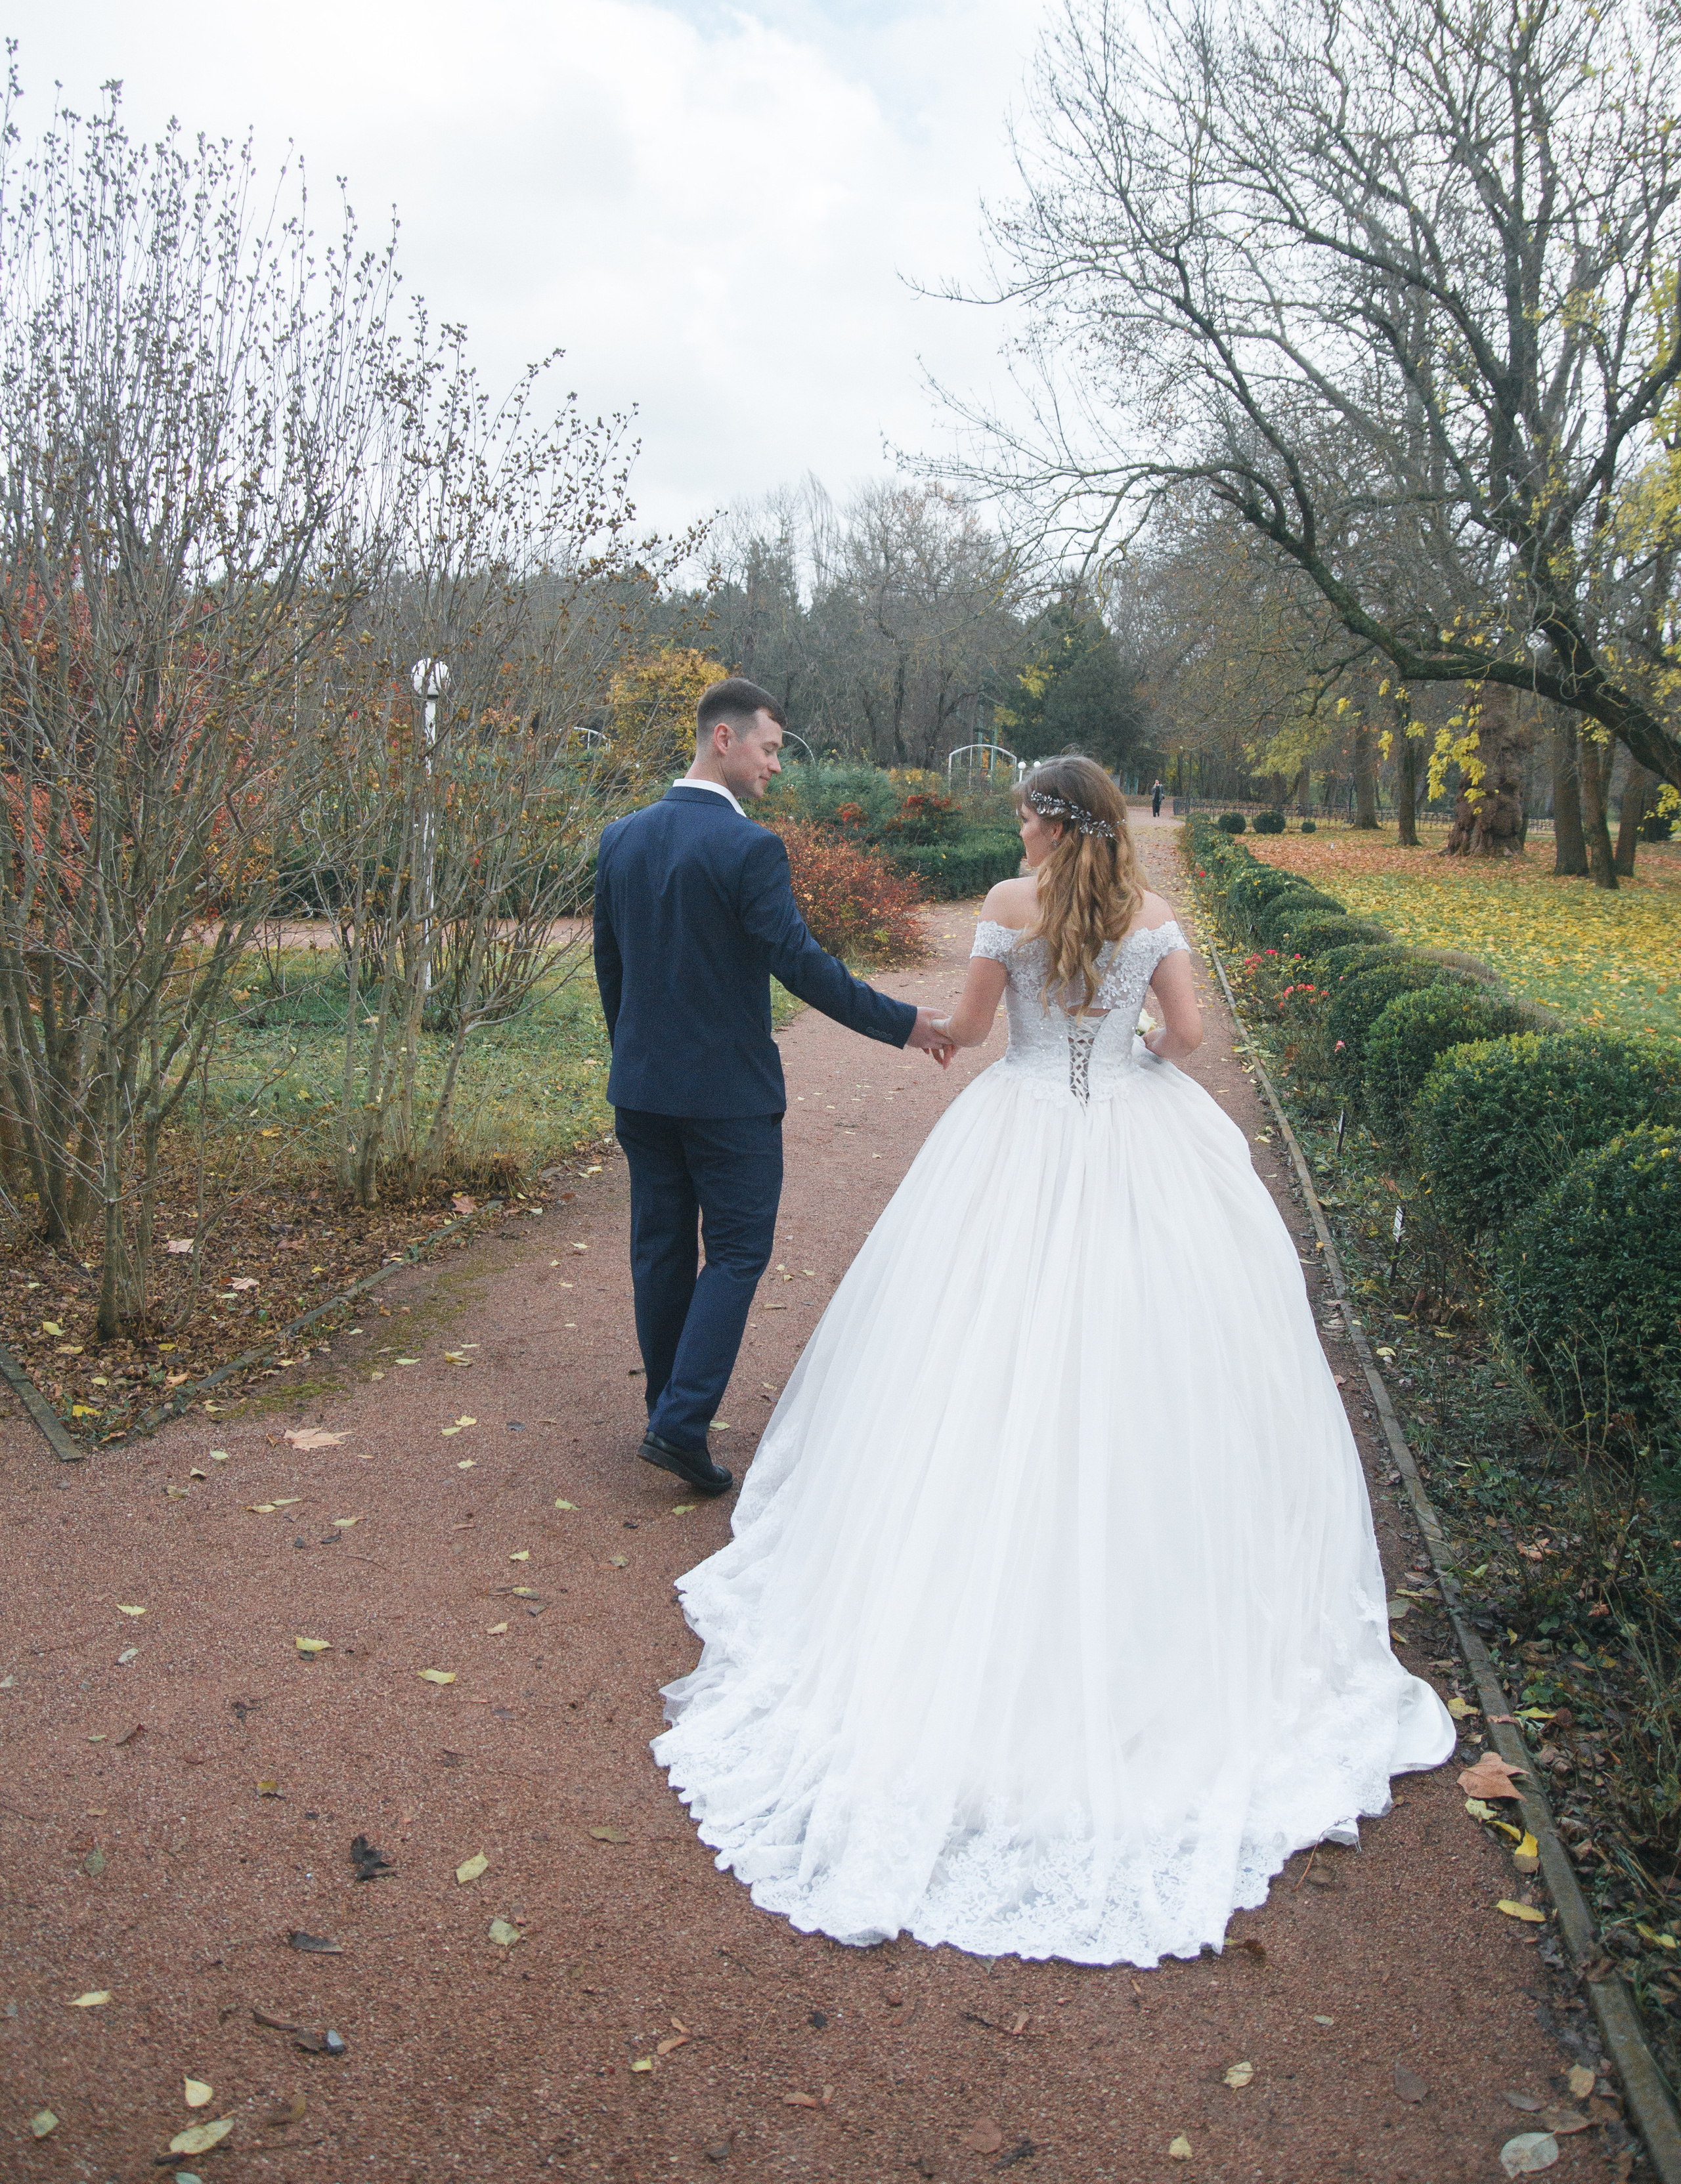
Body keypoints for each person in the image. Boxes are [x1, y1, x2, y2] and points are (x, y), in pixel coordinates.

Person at [651, 754, 1452, 1965]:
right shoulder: (1153, 914)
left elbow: (973, 1029)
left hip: (1015, 1133)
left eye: (1024, 814)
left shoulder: (1007, 907)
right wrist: (1130, 1048)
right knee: (1149, 1349)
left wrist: (948, 1033)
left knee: (973, 1341)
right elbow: (1188, 1037)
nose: (1014, 828)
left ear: (1049, 823)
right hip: (1132, 1130)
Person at [592, 677, 954, 1501]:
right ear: (724, 739)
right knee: (737, 1253)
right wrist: (905, 1024)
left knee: (659, 1249)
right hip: (727, 1099)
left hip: (641, 1088)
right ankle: (681, 1424)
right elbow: (800, 964)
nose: (776, 765)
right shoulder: (748, 847)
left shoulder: (621, 838)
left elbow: (610, 968)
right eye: (770, 747)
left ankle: (666, 1413)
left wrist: (634, 1056)